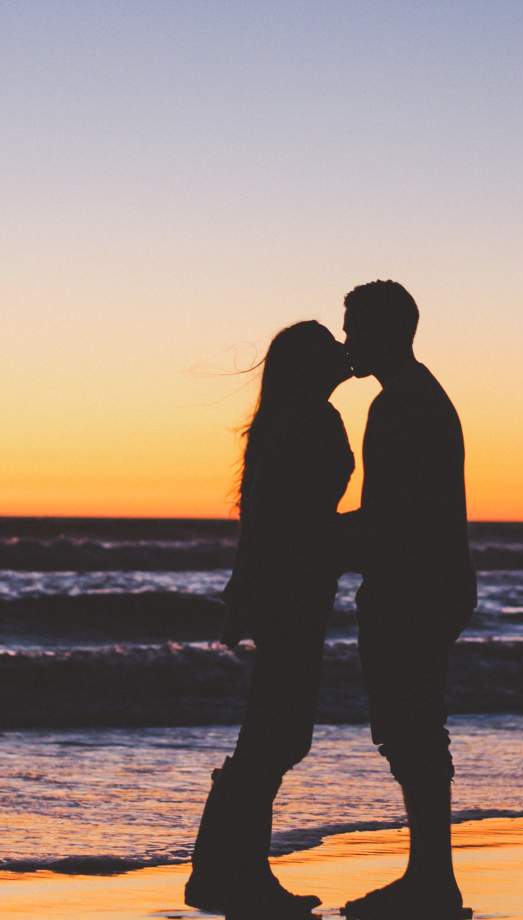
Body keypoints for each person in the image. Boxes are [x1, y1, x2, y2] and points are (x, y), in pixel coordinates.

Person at [185, 321, 354, 918]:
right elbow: (289, 519)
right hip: (294, 590)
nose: (344, 352)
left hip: (291, 587)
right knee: (277, 733)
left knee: (272, 731)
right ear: (311, 365)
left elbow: (267, 515)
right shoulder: (307, 419)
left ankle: (222, 871)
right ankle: (234, 874)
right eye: (331, 348)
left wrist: (242, 592)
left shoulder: (289, 417)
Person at [340, 280, 477, 919]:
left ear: (387, 332)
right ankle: (430, 876)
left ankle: (432, 881)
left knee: (411, 729)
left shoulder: (401, 406)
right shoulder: (417, 397)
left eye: (355, 328)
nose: (347, 342)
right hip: (432, 581)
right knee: (413, 728)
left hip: (413, 585)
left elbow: (391, 514)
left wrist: (310, 539)